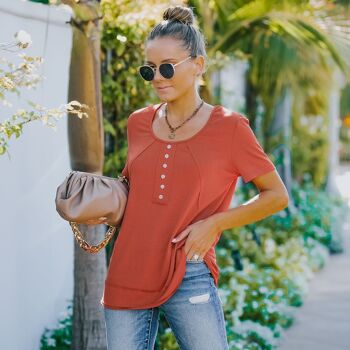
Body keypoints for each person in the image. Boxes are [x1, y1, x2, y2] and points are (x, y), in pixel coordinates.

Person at [87, 5, 289, 350]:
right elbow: (135, 191)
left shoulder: (229, 127)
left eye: (167, 67)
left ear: (198, 65)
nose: (157, 78)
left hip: (189, 272)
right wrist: (97, 200)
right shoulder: (137, 122)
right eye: (148, 70)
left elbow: (276, 195)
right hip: (128, 269)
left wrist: (215, 224)